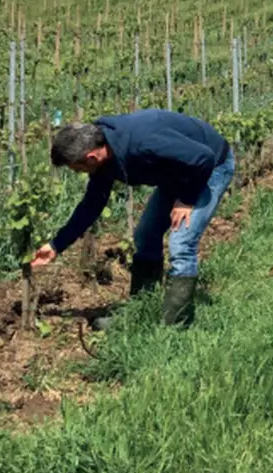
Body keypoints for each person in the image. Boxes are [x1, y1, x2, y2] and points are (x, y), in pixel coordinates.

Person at [32, 109, 235, 326]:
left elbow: (203, 157)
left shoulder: (143, 143)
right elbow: (92, 204)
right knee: (145, 236)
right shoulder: (105, 155)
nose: (80, 174)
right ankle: (141, 314)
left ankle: (176, 327)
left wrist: (186, 199)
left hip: (210, 167)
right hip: (178, 171)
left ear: (91, 157)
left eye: (77, 169)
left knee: (181, 242)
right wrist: (56, 245)